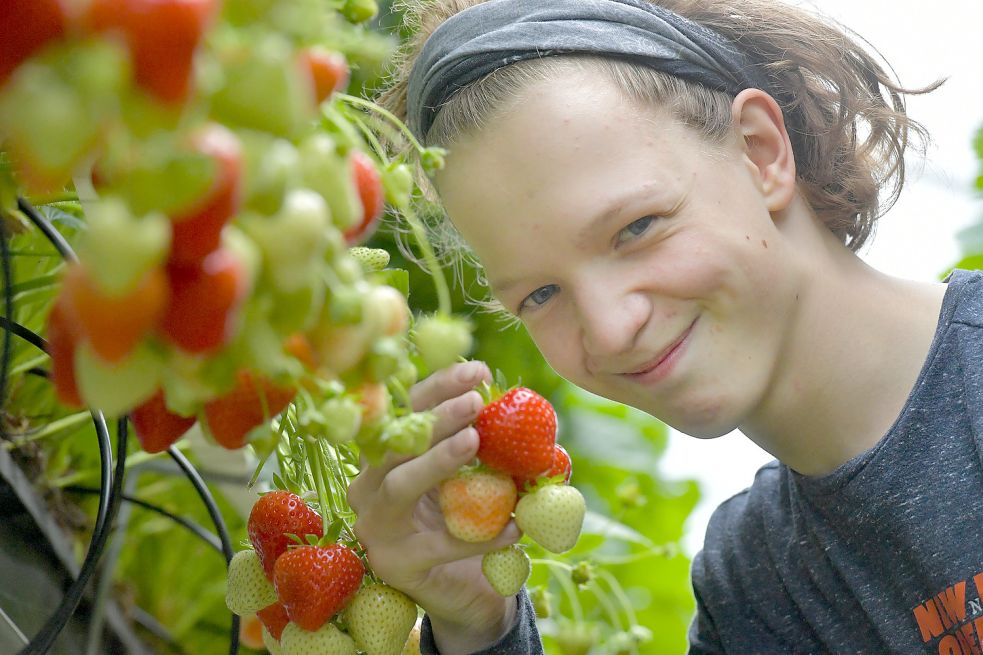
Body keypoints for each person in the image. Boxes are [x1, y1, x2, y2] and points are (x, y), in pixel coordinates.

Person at [345, 0, 983, 653]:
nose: (611, 328)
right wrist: (477, 626)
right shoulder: (752, 586)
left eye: (636, 227)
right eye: (540, 293)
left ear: (760, 152)